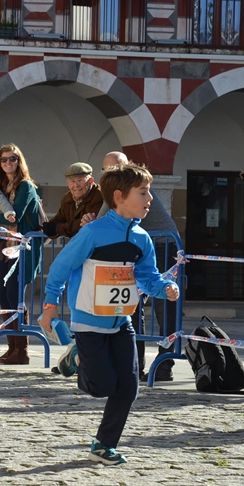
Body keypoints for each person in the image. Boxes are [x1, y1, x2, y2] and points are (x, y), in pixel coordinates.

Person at [39, 163, 180, 465]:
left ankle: (104, 445)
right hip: (89, 323)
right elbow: (61, 267)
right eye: (143, 193)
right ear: (119, 196)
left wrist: (164, 288)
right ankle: (77, 356)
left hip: (121, 322)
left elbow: (147, 277)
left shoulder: (142, 237)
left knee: (129, 387)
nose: (149, 199)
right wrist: (50, 305)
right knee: (102, 385)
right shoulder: (92, 233)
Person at [86, 151, 179, 381]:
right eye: (107, 169)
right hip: (142, 247)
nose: (112, 172)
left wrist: (90, 228)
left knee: (164, 306)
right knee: (132, 303)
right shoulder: (118, 189)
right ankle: (134, 363)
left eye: (116, 167)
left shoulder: (130, 187)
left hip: (163, 246)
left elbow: (105, 222)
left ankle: (164, 365)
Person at [0, 143, 43, 365]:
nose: (8, 163)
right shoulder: (0, 187)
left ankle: (22, 350)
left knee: (15, 298)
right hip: (5, 249)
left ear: (19, 162)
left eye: (12, 159)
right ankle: (12, 348)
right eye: (4, 159)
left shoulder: (26, 187)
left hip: (23, 249)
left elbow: (16, 217)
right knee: (4, 298)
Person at [41, 162, 103, 240]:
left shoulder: (100, 196)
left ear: (90, 181)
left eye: (80, 180)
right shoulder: (67, 198)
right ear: (68, 184)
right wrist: (46, 227)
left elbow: (84, 224)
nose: (76, 185)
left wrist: (57, 228)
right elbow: (60, 219)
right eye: (72, 181)